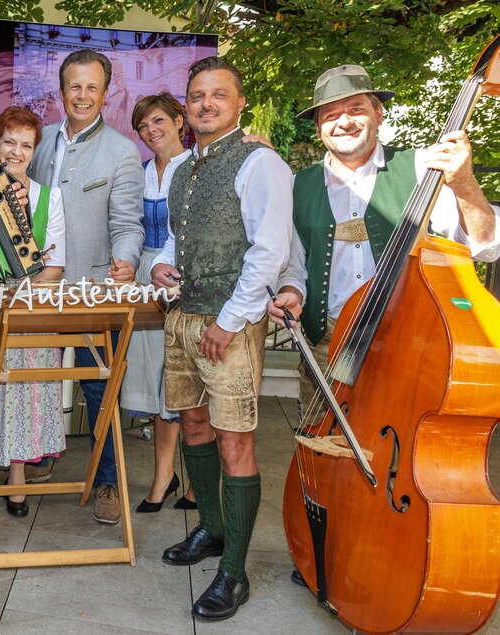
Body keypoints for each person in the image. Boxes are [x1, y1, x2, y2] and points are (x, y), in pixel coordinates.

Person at [268, 64, 500, 420]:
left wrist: (465, 183)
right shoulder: (300, 185)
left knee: (398, 449)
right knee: (321, 450)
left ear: (378, 112)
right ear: (318, 128)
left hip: (408, 341)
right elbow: (297, 265)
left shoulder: (425, 167)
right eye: (330, 114)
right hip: (326, 342)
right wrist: (293, 293)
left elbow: (486, 245)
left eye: (356, 109)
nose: (343, 121)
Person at [150, 56, 293, 621]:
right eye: (197, 96)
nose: (205, 104)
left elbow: (269, 249)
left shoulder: (261, 163)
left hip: (227, 324)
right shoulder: (183, 167)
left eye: (218, 94)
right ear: (187, 106)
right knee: (192, 422)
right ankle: (210, 529)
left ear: (238, 104)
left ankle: (233, 571)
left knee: (236, 442)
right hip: (183, 316)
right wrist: (159, 267)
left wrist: (229, 321)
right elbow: (175, 240)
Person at [27, 48, 145, 526]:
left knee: (101, 393)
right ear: (61, 92)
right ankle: (29, 460)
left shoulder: (121, 152)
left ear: (105, 94)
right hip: (37, 290)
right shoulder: (39, 141)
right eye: (74, 86)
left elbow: (129, 224)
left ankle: (107, 484)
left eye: (91, 87)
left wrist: (127, 260)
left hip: (94, 291)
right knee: (31, 381)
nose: (82, 95)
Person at [0, 106, 66, 519]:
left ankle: (17, 480)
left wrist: (20, 298)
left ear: (34, 152)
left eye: (25, 145)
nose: (16, 152)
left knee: (21, 396)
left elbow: (55, 266)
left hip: (29, 316)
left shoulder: (48, 198)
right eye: (9, 143)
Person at [123, 92, 196, 513]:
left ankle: (198, 480)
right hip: (144, 278)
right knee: (157, 381)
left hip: (184, 276)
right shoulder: (140, 171)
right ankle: (164, 477)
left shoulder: (197, 166)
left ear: (178, 120)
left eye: (157, 122)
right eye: (143, 127)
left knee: (187, 382)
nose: (151, 132)